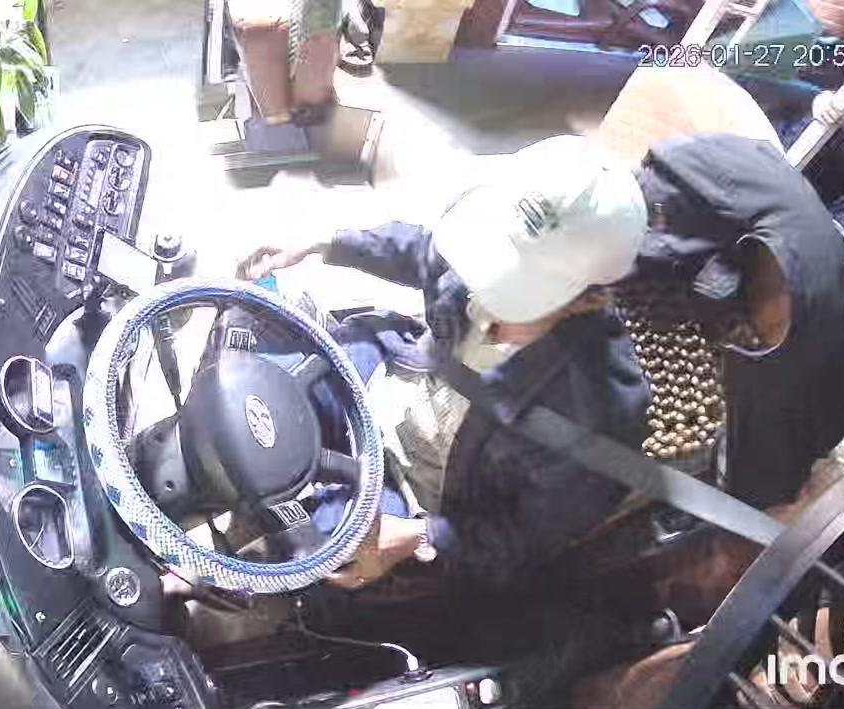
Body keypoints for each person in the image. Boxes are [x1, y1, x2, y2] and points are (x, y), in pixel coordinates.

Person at [237, 135, 653, 591]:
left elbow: (525, 537)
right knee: (258, 387)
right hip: (393, 374)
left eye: (513, 291)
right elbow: (423, 252)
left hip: (421, 487)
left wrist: (422, 536)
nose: (484, 297)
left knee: (320, 548)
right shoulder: (488, 233)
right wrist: (328, 242)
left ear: (589, 300)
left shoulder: (597, 419)